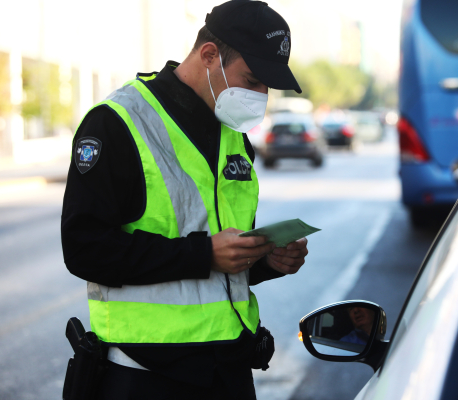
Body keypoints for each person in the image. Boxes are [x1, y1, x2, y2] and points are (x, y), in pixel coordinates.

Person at [61, 1, 307, 399]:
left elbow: (220, 257)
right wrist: (204, 254)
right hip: (145, 375)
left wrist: (263, 260)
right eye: (251, 79)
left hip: (227, 370)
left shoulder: (233, 136)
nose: (260, 95)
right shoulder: (118, 122)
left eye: (267, 86)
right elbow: (84, 249)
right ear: (209, 55)